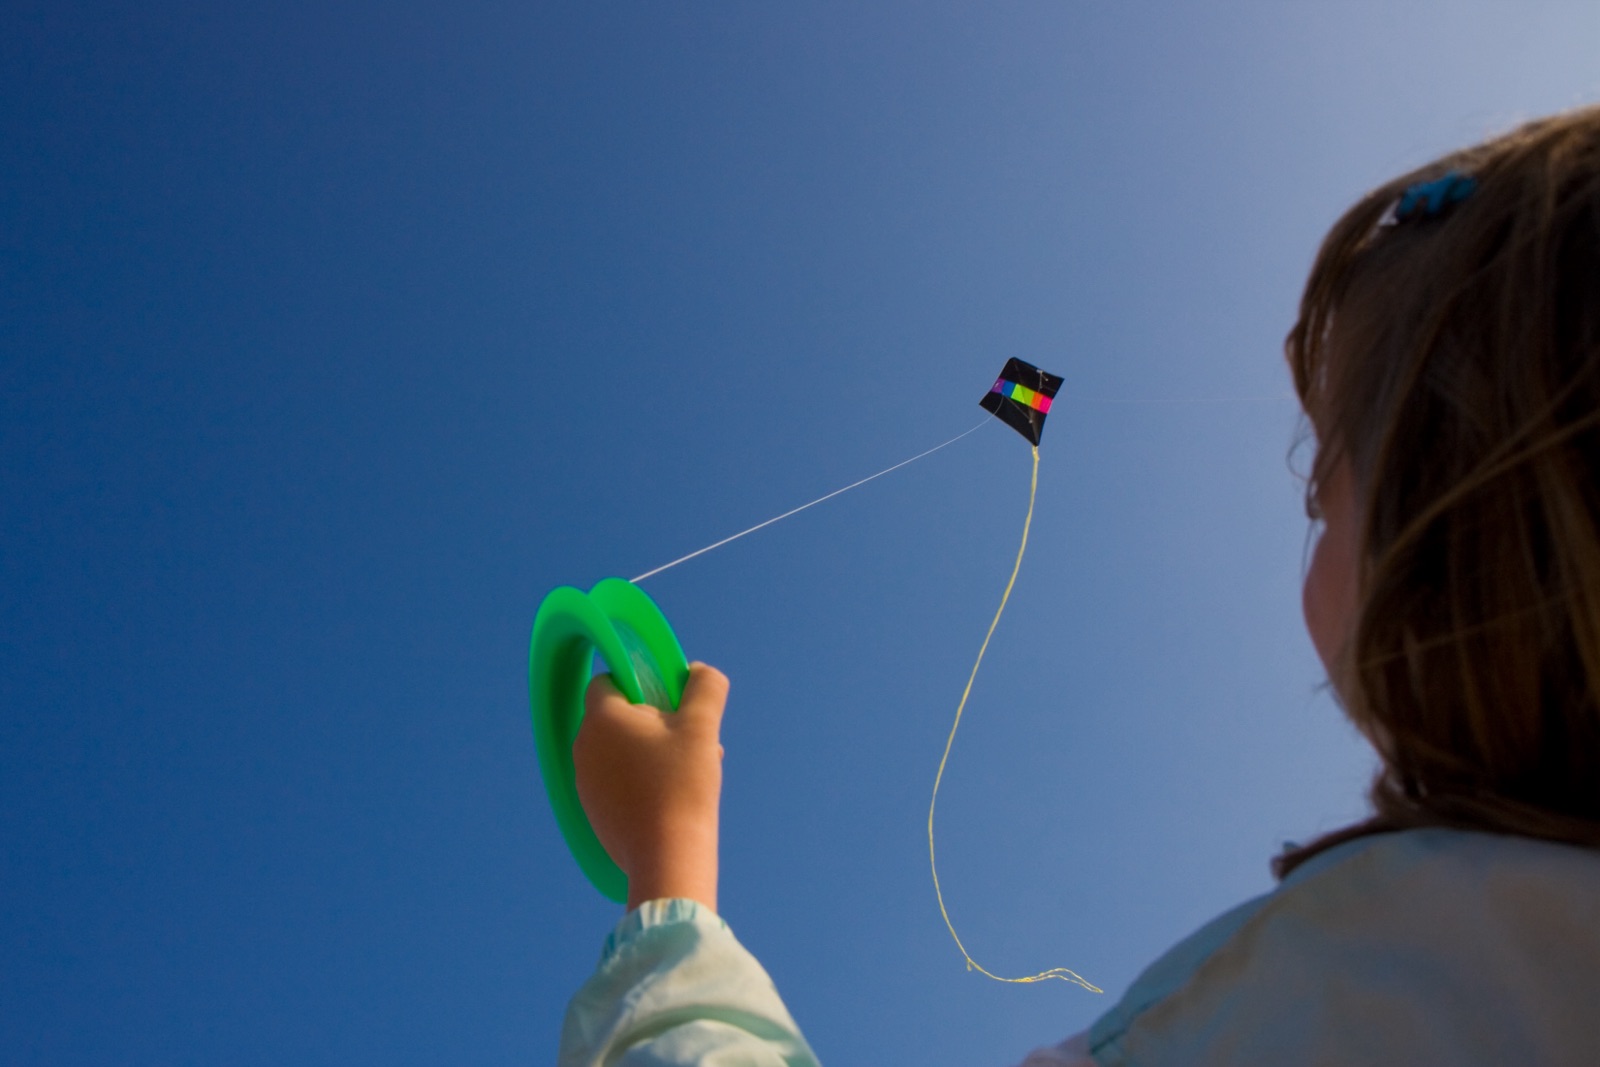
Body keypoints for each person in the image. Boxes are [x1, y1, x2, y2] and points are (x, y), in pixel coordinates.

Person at [556, 105, 1600, 1066]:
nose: (1309, 527)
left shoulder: (1368, 990)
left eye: (1321, 494)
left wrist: (669, 865)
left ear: (1454, 550)